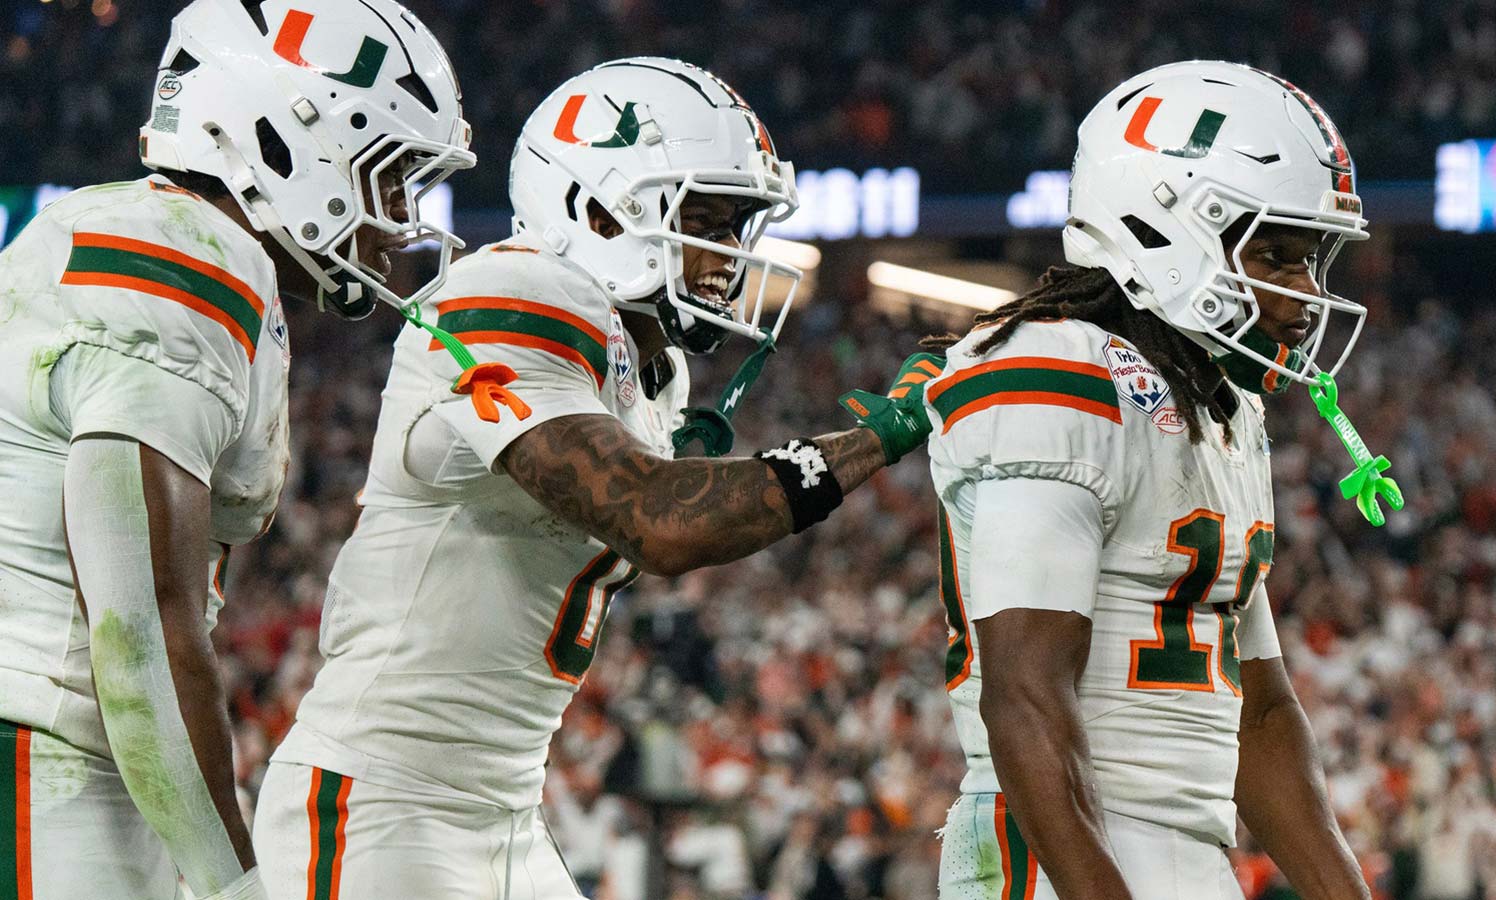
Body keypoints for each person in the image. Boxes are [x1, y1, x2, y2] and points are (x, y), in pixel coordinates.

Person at [251, 57, 932, 900]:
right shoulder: (510, 289)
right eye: (707, 218)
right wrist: (874, 439)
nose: (728, 253)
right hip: (383, 805)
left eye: (737, 223)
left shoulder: (649, 370)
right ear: (601, 208)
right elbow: (658, 522)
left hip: (503, 812)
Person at [0, 1, 474, 898]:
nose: (402, 218)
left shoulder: (185, 250)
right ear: (288, 142)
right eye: (392, 175)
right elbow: (137, 633)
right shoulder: (178, 256)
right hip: (36, 761)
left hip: (72, 760)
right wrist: (233, 887)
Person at [925, 61, 1374, 900]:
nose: (1306, 296)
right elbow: (1024, 694)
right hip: (1061, 852)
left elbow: (1262, 714)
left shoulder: (1225, 409)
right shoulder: (1058, 367)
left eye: (1313, 261)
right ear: (1165, 228)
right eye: (1276, 253)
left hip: (1187, 855)